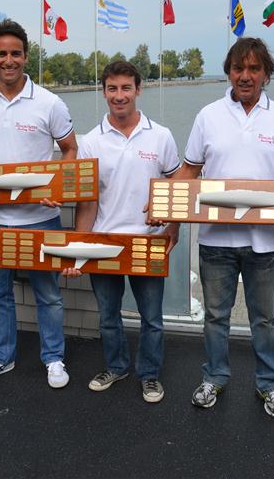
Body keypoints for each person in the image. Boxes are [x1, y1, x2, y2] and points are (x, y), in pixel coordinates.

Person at [170, 38, 274, 417]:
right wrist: (163, 202)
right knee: (216, 317)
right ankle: (214, 377)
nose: (245, 76)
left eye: (253, 69)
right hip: (215, 241)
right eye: (237, 68)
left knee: (265, 319)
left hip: (264, 243)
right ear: (228, 71)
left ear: (266, 73)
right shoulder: (207, 116)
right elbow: (189, 170)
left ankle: (270, 386)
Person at [0, 19, 78, 389]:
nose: (9, 60)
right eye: (1, 53)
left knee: (49, 295)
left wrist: (55, 184)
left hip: (41, 218)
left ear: (26, 56)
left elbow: (70, 149)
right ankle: (1, 356)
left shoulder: (50, 103)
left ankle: (53, 358)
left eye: (16, 53)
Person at [64, 61, 180, 403]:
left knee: (152, 319)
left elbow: (177, 187)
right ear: (104, 92)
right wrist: (79, 246)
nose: (119, 96)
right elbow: (88, 202)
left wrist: (173, 228)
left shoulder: (161, 136)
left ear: (138, 90)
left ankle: (150, 375)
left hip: (148, 241)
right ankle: (116, 367)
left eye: (126, 88)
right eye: (112, 89)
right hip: (104, 241)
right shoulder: (91, 142)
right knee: (108, 317)